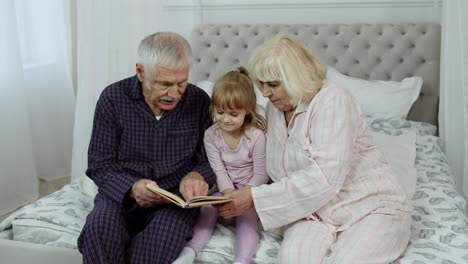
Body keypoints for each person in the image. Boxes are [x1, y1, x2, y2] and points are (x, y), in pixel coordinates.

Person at [217, 34, 412, 264]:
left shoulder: (333, 100)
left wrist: (255, 197)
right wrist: (235, 191)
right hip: (311, 213)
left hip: (368, 207)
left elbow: (325, 178)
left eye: (273, 84)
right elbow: (275, 168)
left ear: (296, 78)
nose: (265, 93)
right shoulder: (274, 109)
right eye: (261, 83)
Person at [77, 32, 216, 264]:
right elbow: (99, 164)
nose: (174, 94)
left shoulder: (199, 101)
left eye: (181, 83)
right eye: (165, 84)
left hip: (174, 201)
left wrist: (196, 175)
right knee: (98, 230)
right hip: (120, 196)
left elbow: (210, 160)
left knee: (159, 243)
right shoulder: (113, 98)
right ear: (141, 72)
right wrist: (132, 187)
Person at [173, 67, 270, 264]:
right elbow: (218, 169)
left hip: (251, 191)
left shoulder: (257, 137)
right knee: (207, 206)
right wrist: (227, 193)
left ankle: (241, 260)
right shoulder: (211, 135)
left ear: (248, 110)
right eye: (220, 112)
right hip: (225, 190)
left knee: (247, 216)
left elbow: (262, 174)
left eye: (233, 114)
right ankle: (191, 251)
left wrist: (244, 196)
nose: (225, 119)